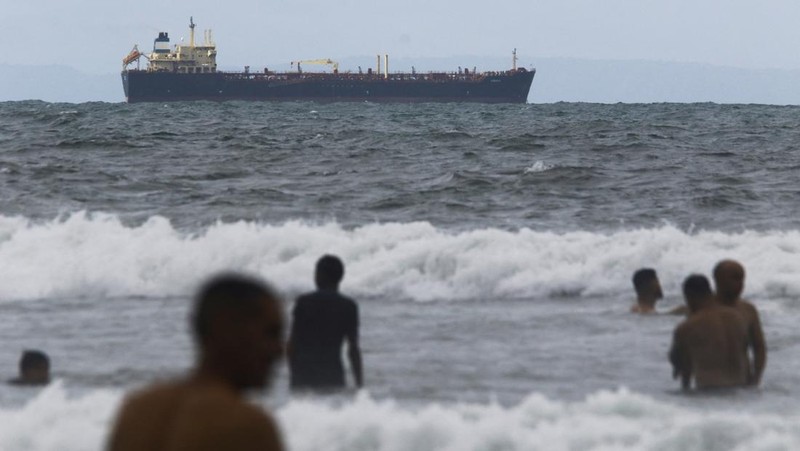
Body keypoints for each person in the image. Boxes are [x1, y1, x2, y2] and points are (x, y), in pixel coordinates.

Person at [107, 273, 285, 451]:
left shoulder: (138, 411)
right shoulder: (247, 425)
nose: (280, 350)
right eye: (271, 333)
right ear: (226, 331)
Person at [288, 255, 363, 391]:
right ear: (340, 277)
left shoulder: (303, 302)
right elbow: (353, 349)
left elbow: (292, 345)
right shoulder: (348, 306)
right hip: (333, 375)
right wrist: (360, 385)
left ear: (318, 276)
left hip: (303, 374)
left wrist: (293, 375)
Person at [669, 274, 749, 390]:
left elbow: (680, 363)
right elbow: (745, 352)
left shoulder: (687, 327)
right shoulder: (737, 318)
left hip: (709, 393)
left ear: (689, 297)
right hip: (741, 391)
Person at [713, 259, 767, 386]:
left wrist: (756, 378)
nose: (740, 284)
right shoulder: (703, 309)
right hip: (710, 385)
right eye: (735, 278)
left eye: (742, 279)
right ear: (718, 280)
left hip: (743, 383)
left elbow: (759, 347)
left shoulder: (748, 310)